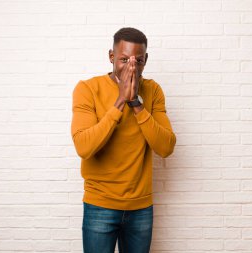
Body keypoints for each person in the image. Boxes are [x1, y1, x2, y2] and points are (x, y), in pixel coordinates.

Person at [71, 27, 176, 253]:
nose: (132, 66)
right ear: (111, 57)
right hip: (100, 205)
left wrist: (136, 103)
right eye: (124, 59)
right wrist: (120, 101)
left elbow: (166, 147)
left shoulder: (153, 90)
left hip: (140, 208)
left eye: (138, 60)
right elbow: (84, 146)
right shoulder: (88, 89)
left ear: (146, 60)